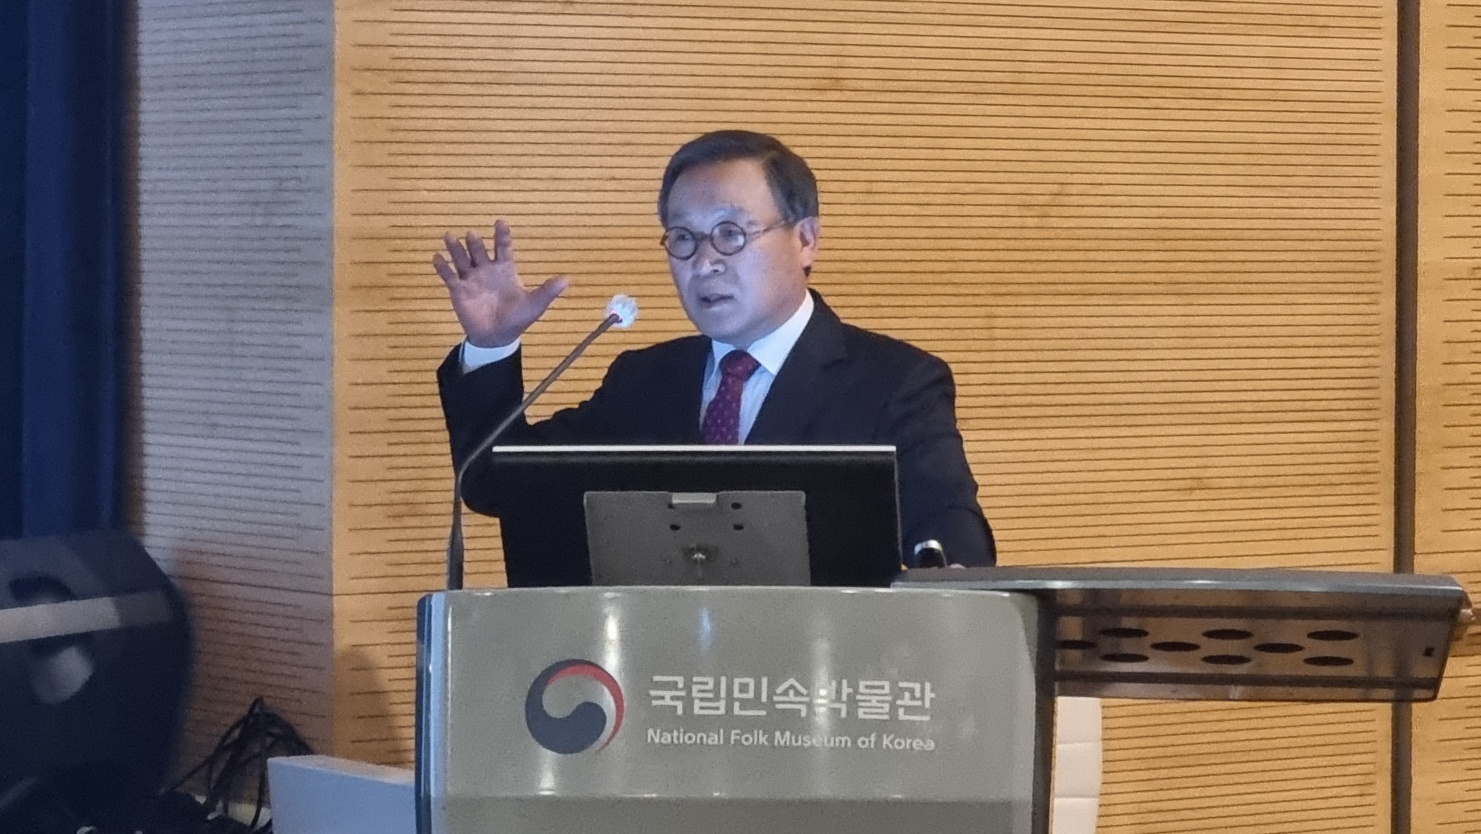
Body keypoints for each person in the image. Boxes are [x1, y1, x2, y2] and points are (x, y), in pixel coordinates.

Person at [435, 129, 994, 585]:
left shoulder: (895, 382)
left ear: (806, 240)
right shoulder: (645, 379)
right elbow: (497, 482)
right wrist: (492, 345)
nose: (704, 262)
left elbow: (947, 521)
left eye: (730, 233)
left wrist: (951, 571)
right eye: (683, 238)